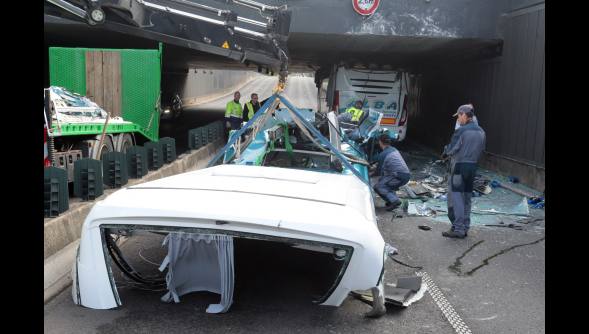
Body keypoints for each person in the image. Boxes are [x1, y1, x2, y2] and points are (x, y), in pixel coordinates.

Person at [442, 104, 486, 238]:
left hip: (460, 166)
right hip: (473, 167)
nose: (458, 120)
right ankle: (465, 226)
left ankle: (459, 229)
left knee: (457, 198)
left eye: (458, 117)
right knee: (467, 198)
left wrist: (445, 152)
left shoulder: (461, 131)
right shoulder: (481, 131)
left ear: (463, 115)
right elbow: (482, 150)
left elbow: (452, 149)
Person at [372, 134, 411, 211]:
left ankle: (395, 201)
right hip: (405, 175)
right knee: (382, 182)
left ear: (380, 142)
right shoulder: (393, 149)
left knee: (378, 187)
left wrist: (369, 173)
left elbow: (378, 172)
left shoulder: (384, 154)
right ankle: (390, 201)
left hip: (399, 176)